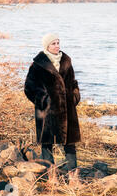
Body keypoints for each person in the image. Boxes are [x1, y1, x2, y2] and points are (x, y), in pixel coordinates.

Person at [24, 33, 81, 172]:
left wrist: (74, 97)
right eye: (53, 43)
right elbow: (29, 87)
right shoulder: (38, 64)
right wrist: (43, 101)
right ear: (47, 46)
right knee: (47, 143)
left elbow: (73, 83)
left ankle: (72, 174)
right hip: (47, 110)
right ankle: (51, 174)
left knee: (69, 143)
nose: (57, 46)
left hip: (67, 108)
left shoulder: (66, 61)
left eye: (58, 43)